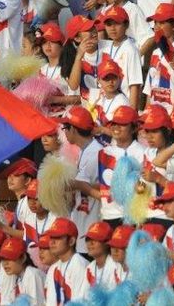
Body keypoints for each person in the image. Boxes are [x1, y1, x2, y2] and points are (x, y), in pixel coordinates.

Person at [61, 107, 101, 256]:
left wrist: (76, 185)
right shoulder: (84, 151)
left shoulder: (96, 153)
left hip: (92, 229)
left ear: (73, 129)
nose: (64, 132)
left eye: (65, 128)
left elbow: (105, 189)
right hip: (82, 225)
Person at [44, 218, 88, 306]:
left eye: (57, 237)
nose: (52, 242)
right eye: (51, 237)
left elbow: (79, 303)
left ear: (71, 241)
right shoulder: (53, 268)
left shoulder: (80, 265)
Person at [0, 236, 46, 305]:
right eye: (3, 259)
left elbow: (37, 304)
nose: (5, 263)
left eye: (9, 258)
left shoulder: (32, 274)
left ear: (23, 258)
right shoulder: (16, 276)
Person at [77, 221, 120, 294]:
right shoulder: (90, 268)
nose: (90, 243)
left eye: (95, 239)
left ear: (107, 243)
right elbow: (82, 297)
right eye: (87, 239)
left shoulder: (116, 266)